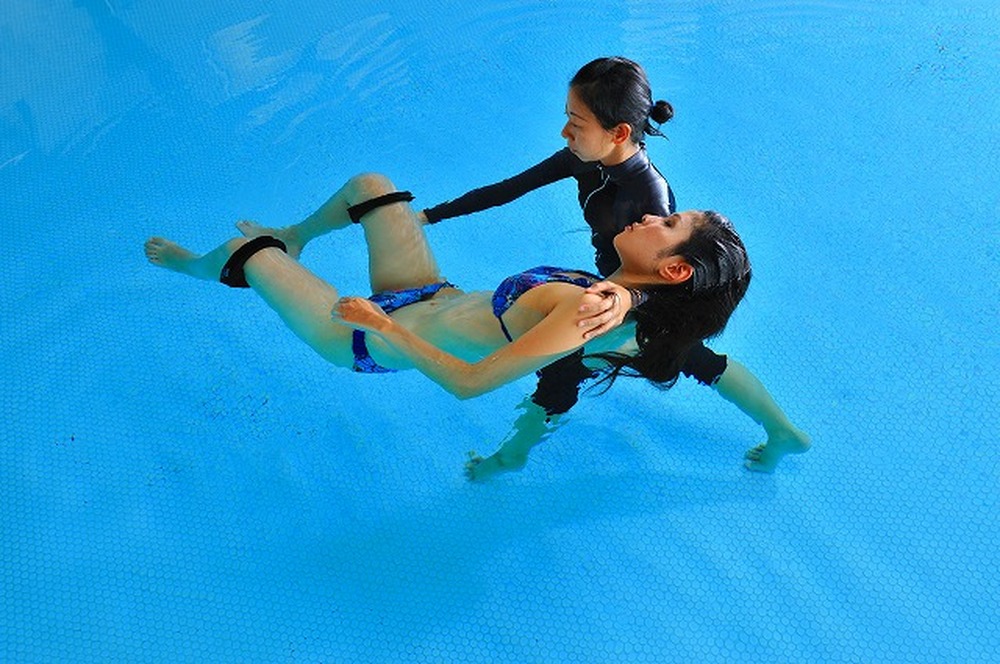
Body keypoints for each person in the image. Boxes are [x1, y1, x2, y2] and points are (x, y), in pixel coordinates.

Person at [230, 58, 811, 477]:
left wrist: (624, 300)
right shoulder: (585, 156)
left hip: (621, 305)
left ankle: (511, 458)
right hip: (602, 292)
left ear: (618, 132)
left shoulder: (649, 205)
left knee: (576, 379)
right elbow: (510, 188)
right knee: (670, 361)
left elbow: (658, 281)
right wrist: (427, 216)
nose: (565, 130)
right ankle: (781, 430)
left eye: (575, 121)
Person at [144, 174, 759, 478]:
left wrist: (381, 327)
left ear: (675, 269)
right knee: (372, 187)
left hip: (362, 338)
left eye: (668, 224)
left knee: (246, 253)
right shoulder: (614, 294)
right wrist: (628, 296)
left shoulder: (590, 314)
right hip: (428, 292)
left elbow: (469, 384)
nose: (653, 215)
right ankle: (297, 236)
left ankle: (193, 266)